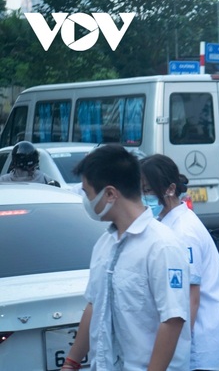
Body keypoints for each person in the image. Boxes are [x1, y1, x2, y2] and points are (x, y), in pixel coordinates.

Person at [62, 144, 190, 371]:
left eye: (87, 193)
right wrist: (71, 362)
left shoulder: (162, 246)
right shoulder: (104, 244)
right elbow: (95, 304)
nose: (86, 201)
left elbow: (172, 320)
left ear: (110, 194)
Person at [139, 154, 219, 370]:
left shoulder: (183, 232)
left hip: (204, 350)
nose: (143, 197)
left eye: (148, 190)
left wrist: (173, 353)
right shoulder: (172, 222)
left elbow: (189, 299)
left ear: (169, 189)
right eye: (140, 191)